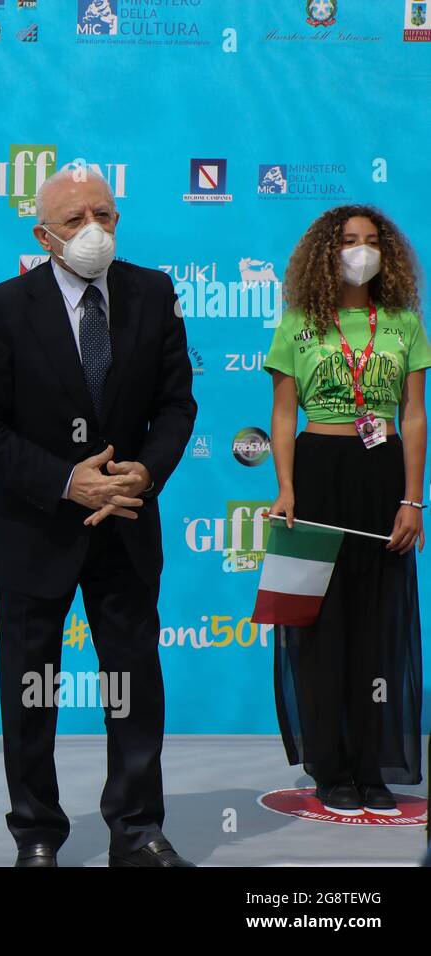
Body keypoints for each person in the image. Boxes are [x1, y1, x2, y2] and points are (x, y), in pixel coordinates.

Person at [0, 167, 197, 867]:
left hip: (125, 521)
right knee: (31, 690)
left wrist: (145, 472)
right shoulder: (0, 307)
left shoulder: (153, 292)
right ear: (42, 235)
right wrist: (67, 482)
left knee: (133, 685)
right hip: (34, 530)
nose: (95, 230)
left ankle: (137, 829)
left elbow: (178, 405)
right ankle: (36, 833)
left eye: (106, 214)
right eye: (76, 220)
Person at [265, 204, 425, 815]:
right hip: (317, 472)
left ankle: (372, 765)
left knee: (375, 628)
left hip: (382, 477)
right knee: (317, 627)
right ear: (326, 253)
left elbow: (412, 416)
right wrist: (285, 487)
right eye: (349, 240)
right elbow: (284, 414)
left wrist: (411, 498)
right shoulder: (299, 322)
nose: (361, 250)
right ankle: (329, 767)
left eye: (372, 240)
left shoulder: (404, 324)